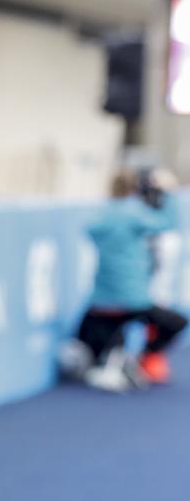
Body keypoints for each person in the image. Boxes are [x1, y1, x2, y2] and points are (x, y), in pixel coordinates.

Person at [71, 167, 187, 392]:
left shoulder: (101, 216)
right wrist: (167, 191)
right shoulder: (134, 214)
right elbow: (168, 223)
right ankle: (140, 357)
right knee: (176, 323)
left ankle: (111, 359)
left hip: (101, 299)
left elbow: (90, 230)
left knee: (97, 332)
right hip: (132, 299)